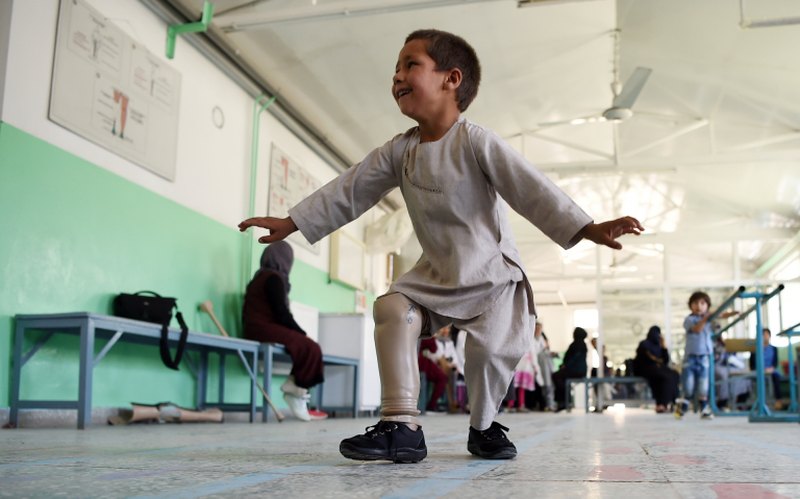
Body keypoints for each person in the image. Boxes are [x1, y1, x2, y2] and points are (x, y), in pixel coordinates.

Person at [239, 29, 643, 462]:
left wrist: (587, 227)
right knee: (393, 308)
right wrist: (293, 221)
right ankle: (402, 426)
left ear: (452, 79)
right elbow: (350, 189)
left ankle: (484, 427)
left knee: (489, 353)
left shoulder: (476, 141)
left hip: (492, 276)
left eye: (410, 64)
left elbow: (531, 189)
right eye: (395, 69)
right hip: (436, 273)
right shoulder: (399, 151)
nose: (396, 76)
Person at [242, 242, 326, 422]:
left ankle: (295, 388)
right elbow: (281, 314)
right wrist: (302, 333)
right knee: (311, 347)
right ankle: (296, 390)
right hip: (261, 328)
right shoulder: (273, 278)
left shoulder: (260, 277)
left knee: (309, 347)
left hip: (258, 327)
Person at [675, 291, 738, 420]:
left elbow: (722, 315)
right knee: (688, 386)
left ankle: (704, 409)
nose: (699, 306)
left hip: (704, 357)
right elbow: (697, 329)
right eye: (695, 303)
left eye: (702, 303)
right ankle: (684, 405)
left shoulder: (709, 319)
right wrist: (706, 318)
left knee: (704, 385)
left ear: (707, 305)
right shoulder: (689, 320)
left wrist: (734, 313)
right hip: (690, 358)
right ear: (690, 306)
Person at [632, 325, 679, 413]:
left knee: (674, 375)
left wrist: (664, 346)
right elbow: (644, 358)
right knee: (665, 377)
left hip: (658, 370)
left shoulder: (659, 345)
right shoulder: (644, 344)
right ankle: (663, 404)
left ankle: (670, 402)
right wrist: (657, 362)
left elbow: (665, 360)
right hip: (646, 369)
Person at [552, 327, 590, 411]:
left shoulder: (577, 344)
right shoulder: (582, 344)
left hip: (575, 370)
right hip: (578, 370)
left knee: (556, 376)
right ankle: (566, 401)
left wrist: (565, 365)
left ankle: (564, 401)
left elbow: (573, 358)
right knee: (560, 377)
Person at [748, 328, 783, 402]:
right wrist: (759, 370)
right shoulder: (754, 349)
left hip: (770, 371)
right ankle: (758, 401)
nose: (765, 336)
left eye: (767, 335)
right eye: (763, 335)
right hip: (758, 371)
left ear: (770, 336)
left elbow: (775, 362)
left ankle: (778, 400)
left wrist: (771, 369)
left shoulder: (774, 348)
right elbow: (752, 364)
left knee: (776, 377)